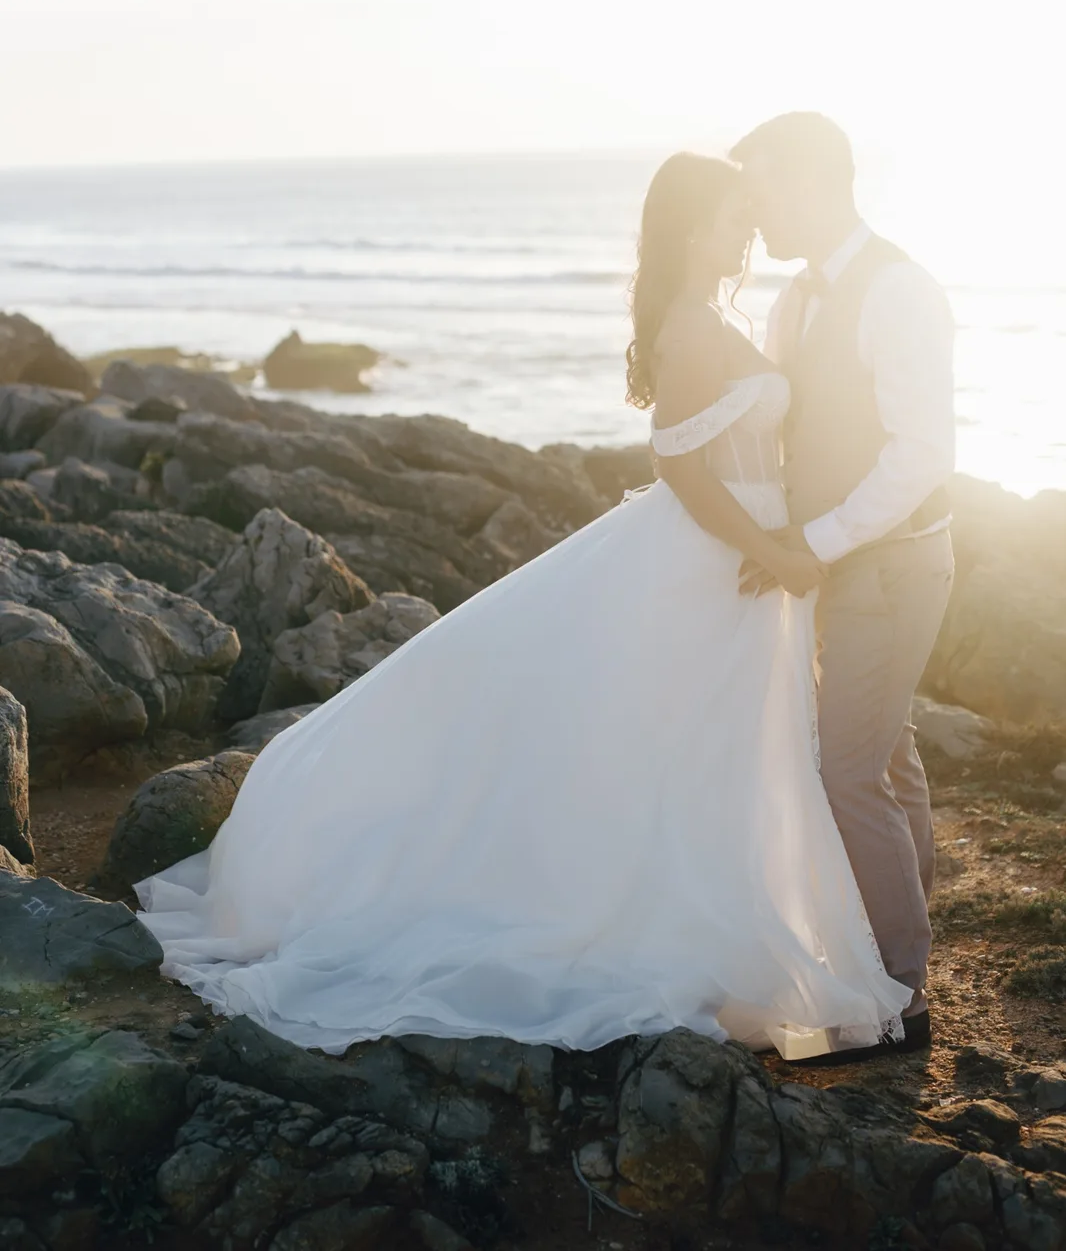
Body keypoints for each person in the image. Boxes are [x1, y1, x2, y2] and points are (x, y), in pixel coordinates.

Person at [135, 153, 910, 1060]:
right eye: (734, 217)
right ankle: (655, 925)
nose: (746, 233)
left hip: (734, 565)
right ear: (694, 226)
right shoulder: (695, 327)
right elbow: (682, 468)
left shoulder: (721, 314)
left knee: (703, 750)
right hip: (713, 562)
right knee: (676, 746)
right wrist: (774, 550)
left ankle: (709, 926)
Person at [730, 113, 956, 1062]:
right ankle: (903, 946)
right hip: (842, 564)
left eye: (765, 186)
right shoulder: (799, 299)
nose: (754, 208)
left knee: (846, 770)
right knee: (885, 754)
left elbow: (920, 456)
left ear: (818, 183)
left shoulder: (897, 289)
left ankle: (896, 999)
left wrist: (811, 544)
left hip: (893, 565)